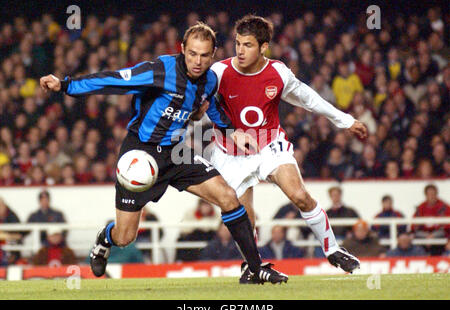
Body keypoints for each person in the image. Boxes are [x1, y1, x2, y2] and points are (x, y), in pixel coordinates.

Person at [40, 22, 287, 284]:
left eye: (204, 55)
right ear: (182, 49)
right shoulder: (160, 70)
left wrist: (230, 130)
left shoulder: (210, 80)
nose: (197, 61)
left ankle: (255, 267)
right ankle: (105, 238)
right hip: (140, 154)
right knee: (125, 237)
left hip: (176, 153)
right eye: (192, 53)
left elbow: (211, 104)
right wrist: (66, 85)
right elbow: (113, 80)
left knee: (228, 196)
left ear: (212, 54)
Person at [206, 15, 367, 279]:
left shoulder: (277, 73)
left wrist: (345, 120)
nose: (240, 50)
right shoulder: (219, 73)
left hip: (269, 145)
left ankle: (332, 248)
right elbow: (202, 103)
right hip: (230, 153)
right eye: (237, 44)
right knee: (244, 218)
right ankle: (252, 266)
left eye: (247, 45)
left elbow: (309, 99)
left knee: (300, 196)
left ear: (263, 47)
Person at [411, 184, 450, 255]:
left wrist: (433, 235)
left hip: (440, 234)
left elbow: (447, 226)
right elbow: (414, 225)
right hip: (423, 235)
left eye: (433, 194)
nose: (431, 196)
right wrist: (426, 236)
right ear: (426, 195)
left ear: (436, 194)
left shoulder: (445, 207)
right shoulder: (420, 208)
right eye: (429, 194)